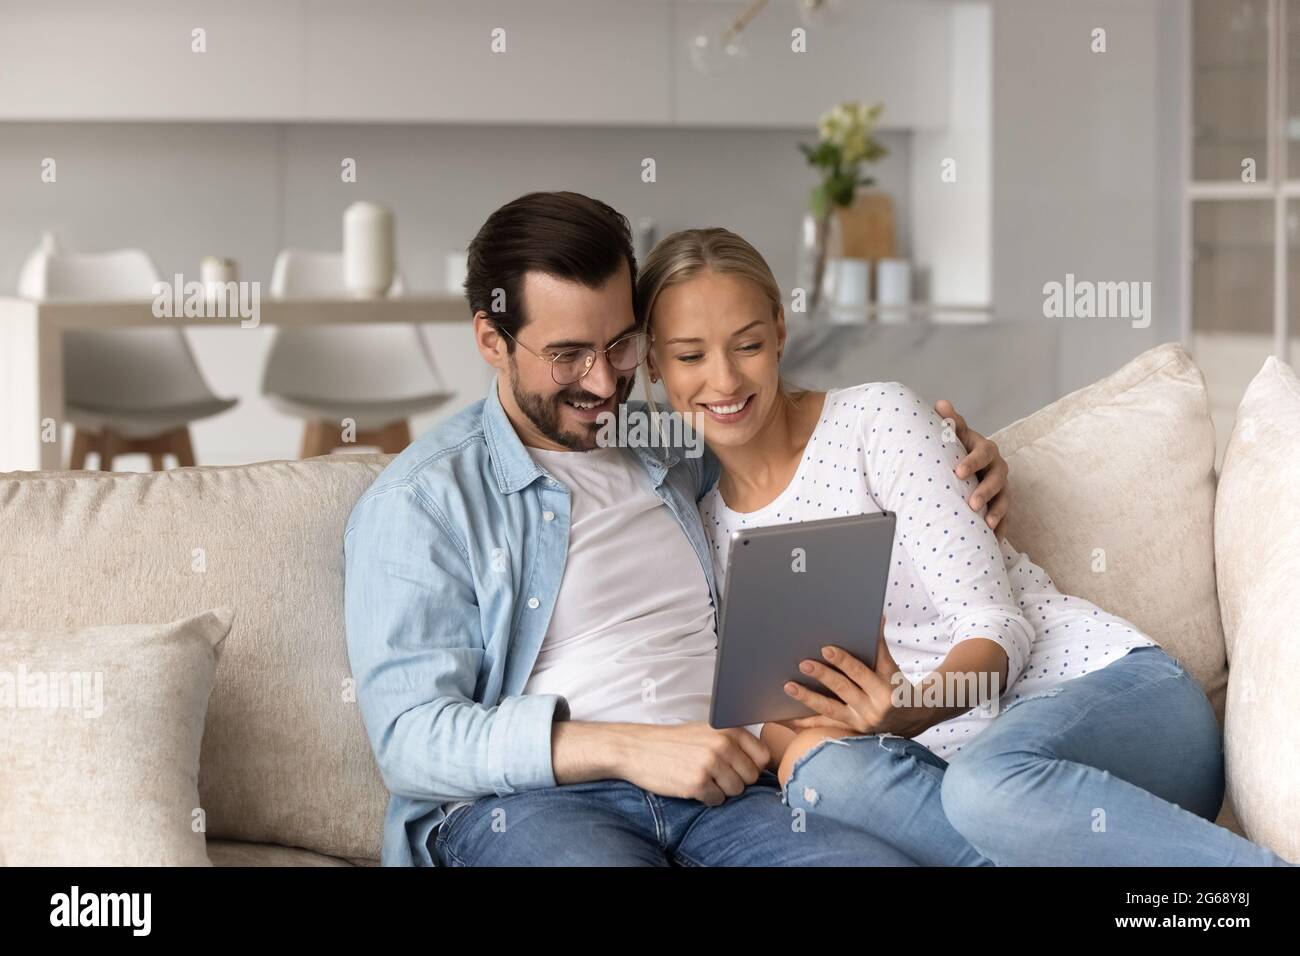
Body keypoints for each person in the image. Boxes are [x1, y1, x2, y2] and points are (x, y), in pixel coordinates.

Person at [342, 192, 1007, 866]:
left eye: (620, 346)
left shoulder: (677, 448)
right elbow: (410, 738)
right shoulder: (424, 502)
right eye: (568, 354)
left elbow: (785, 428)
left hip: (734, 795)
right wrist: (630, 746)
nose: (603, 383)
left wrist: (965, 455)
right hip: (538, 809)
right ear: (492, 339)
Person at [637, 225, 1295, 866]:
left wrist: (907, 712)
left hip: (1109, 700)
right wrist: (823, 736)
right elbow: (777, 724)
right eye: (691, 356)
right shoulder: (704, 529)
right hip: (945, 781)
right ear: (654, 366)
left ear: (780, 332)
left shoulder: (877, 423)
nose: (723, 381)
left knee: (987, 786)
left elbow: (997, 625)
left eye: (746, 344)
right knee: (823, 779)